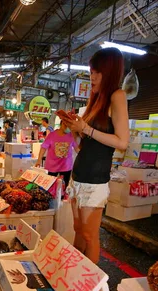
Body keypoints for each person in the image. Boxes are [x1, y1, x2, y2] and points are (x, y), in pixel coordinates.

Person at [57, 47, 129, 264]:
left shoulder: (117, 96)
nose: (92, 77)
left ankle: (90, 286)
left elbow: (122, 142)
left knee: (89, 234)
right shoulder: (94, 100)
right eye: (91, 72)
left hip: (95, 180)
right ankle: (74, 273)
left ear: (110, 72)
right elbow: (81, 148)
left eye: (97, 72)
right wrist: (74, 129)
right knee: (77, 229)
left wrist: (86, 129)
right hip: (78, 175)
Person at [35, 121, 78, 188]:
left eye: (69, 126)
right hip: (52, 166)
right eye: (65, 124)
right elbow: (43, 148)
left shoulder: (71, 136)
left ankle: (62, 197)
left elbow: (77, 149)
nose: (67, 127)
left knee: (64, 187)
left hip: (66, 167)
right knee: (50, 186)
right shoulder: (52, 135)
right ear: (61, 124)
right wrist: (39, 160)